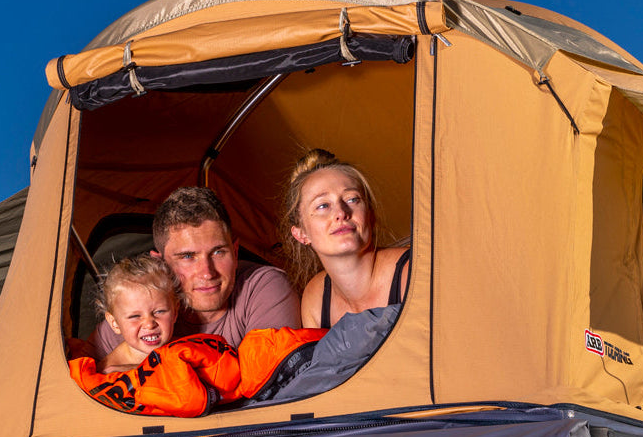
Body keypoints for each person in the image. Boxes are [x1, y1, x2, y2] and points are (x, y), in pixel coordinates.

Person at [70, 253, 319, 417]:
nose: (149, 323)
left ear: (176, 312)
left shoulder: (181, 352)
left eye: (159, 311)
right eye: (134, 317)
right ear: (114, 323)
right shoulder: (109, 374)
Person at [90, 186, 300, 358]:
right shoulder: (143, 308)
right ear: (161, 264)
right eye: (188, 257)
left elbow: (273, 389)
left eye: (218, 252)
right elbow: (81, 366)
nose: (207, 273)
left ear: (235, 253)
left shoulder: (264, 288)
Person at [282, 149, 410, 328]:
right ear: (301, 234)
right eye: (323, 205)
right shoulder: (316, 298)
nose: (341, 213)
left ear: (370, 216)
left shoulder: (411, 271)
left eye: (352, 199)